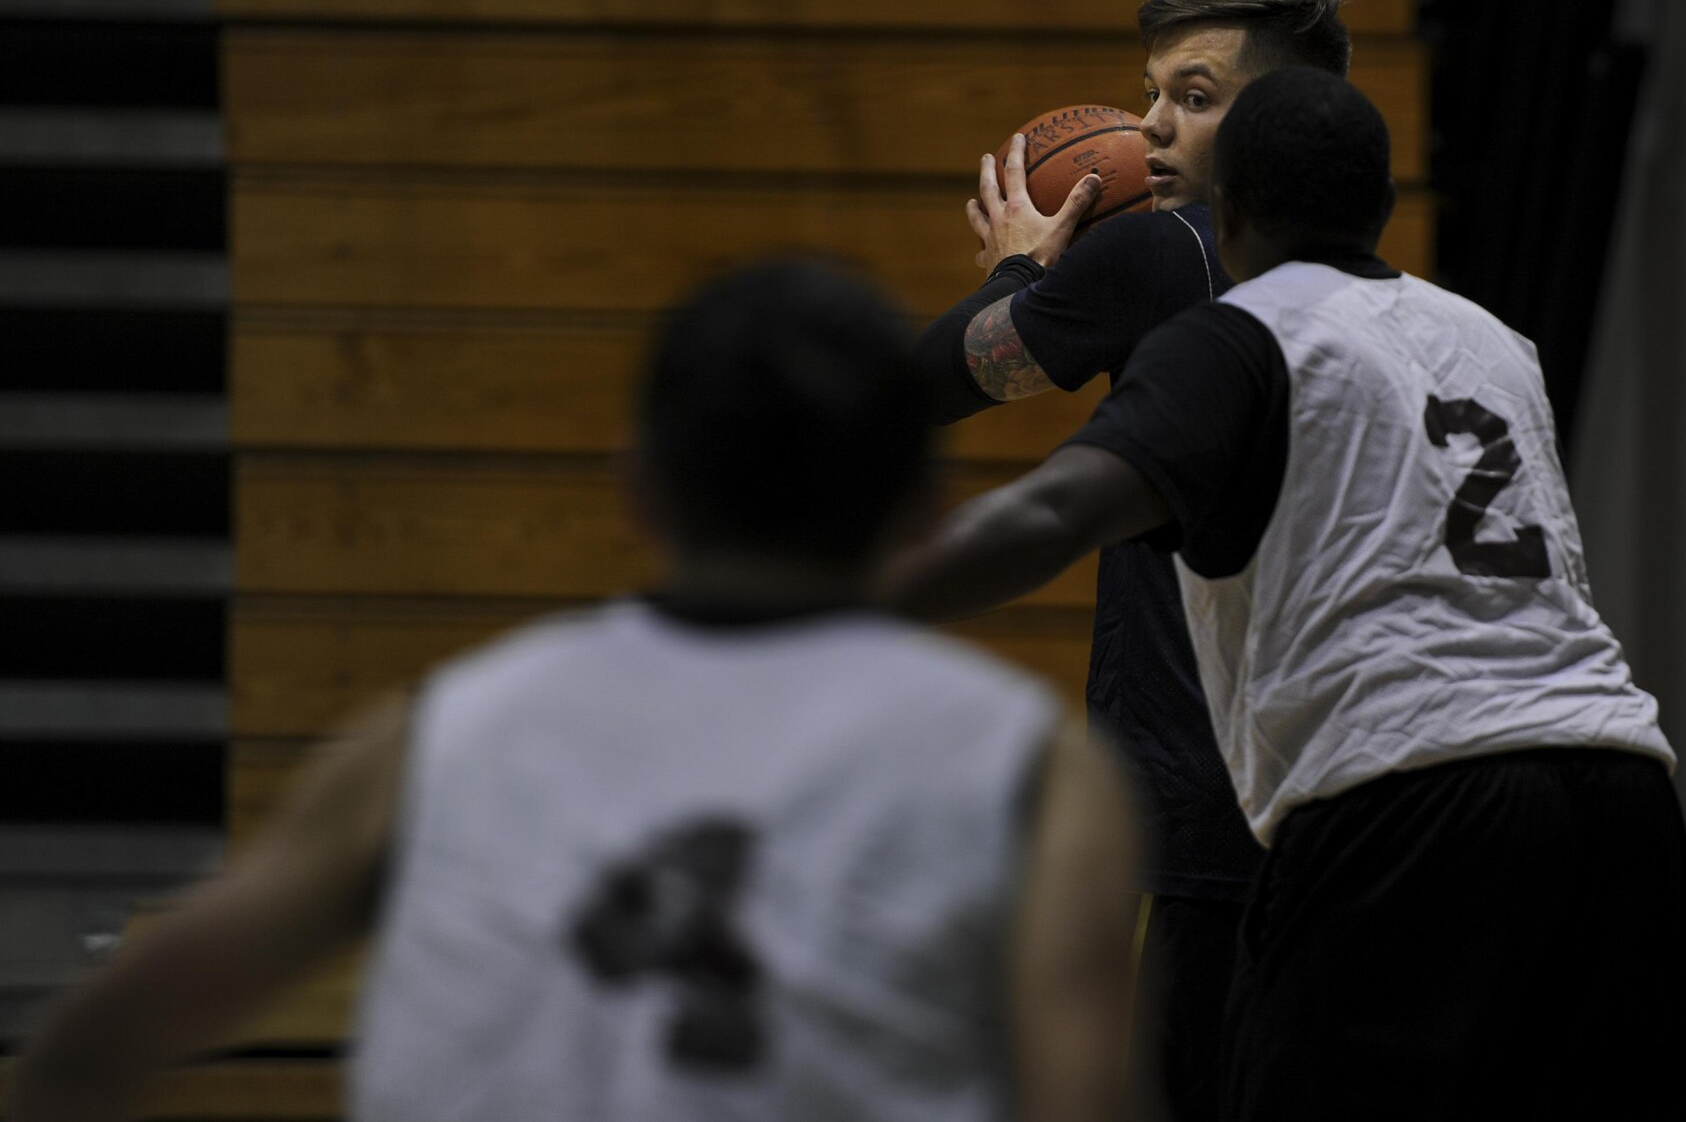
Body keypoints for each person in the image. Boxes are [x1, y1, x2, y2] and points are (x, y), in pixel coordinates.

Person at [10, 262, 1145, 1122]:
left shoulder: (434, 732)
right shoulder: (1032, 768)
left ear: (637, 483)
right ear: (919, 506)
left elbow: (85, 1048)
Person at [892, 68, 1686, 1119]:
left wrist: (838, 606)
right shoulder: (1495, 342)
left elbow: (1051, 514)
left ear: (1224, 203)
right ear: (1377, 201)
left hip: (1412, 785)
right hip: (1618, 789)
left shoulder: (1241, 330)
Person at [912, 0, 1351, 1120]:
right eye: (1150, 91)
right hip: (1353, 787)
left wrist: (1016, 269)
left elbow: (926, 383)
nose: (1148, 124)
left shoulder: (1163, 256)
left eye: (1192, 97)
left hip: (1203, 785)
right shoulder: (1385, 299)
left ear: (1275, 120)